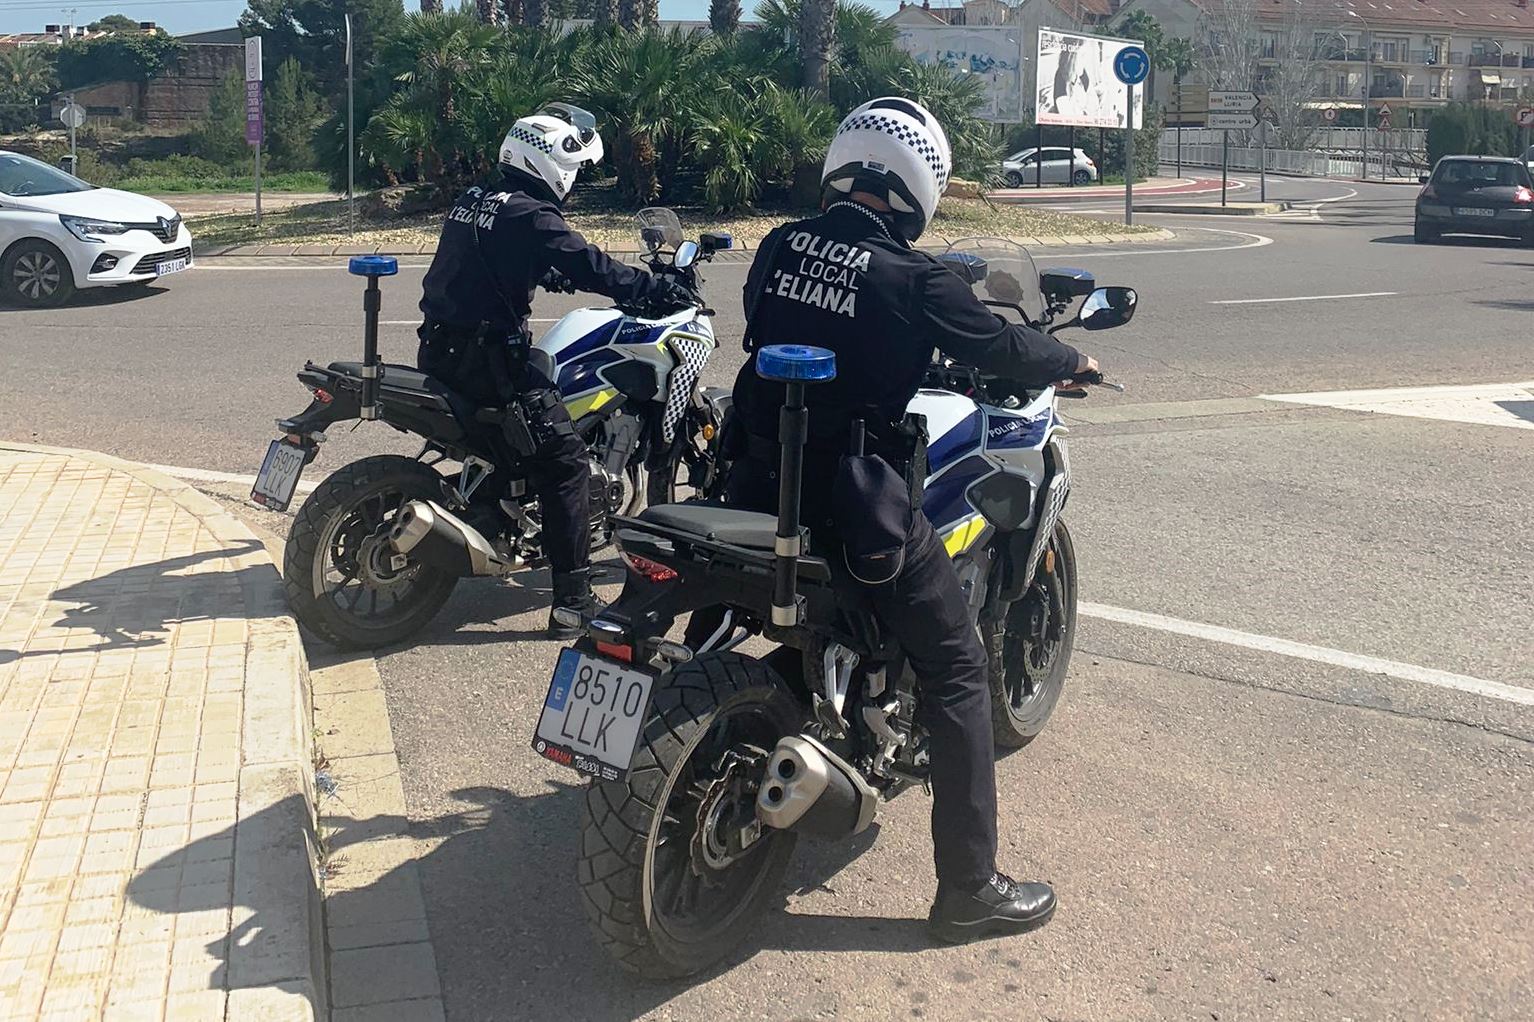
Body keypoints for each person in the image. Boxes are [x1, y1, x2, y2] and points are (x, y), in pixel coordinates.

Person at [724, 97, 1099, 944]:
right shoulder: (914, 277)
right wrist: (1072, 356)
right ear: (920, 183)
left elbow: (769, 324)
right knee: (960, 665)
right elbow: (997, 348)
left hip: (752, 483)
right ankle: (969, 888)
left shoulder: (780, 243)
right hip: (855, 507)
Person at [416, 104, 693, 639]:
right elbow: (592, 265)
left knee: (527, 431)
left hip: (441, 350)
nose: (575, 181)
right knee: (564, 463)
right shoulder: (534, 215)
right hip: (491, 363)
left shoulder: (475, 200)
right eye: (576, 169)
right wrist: (654, 288)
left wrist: (548, 273)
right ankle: (572, 602)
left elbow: (496, 261)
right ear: (552, 163)